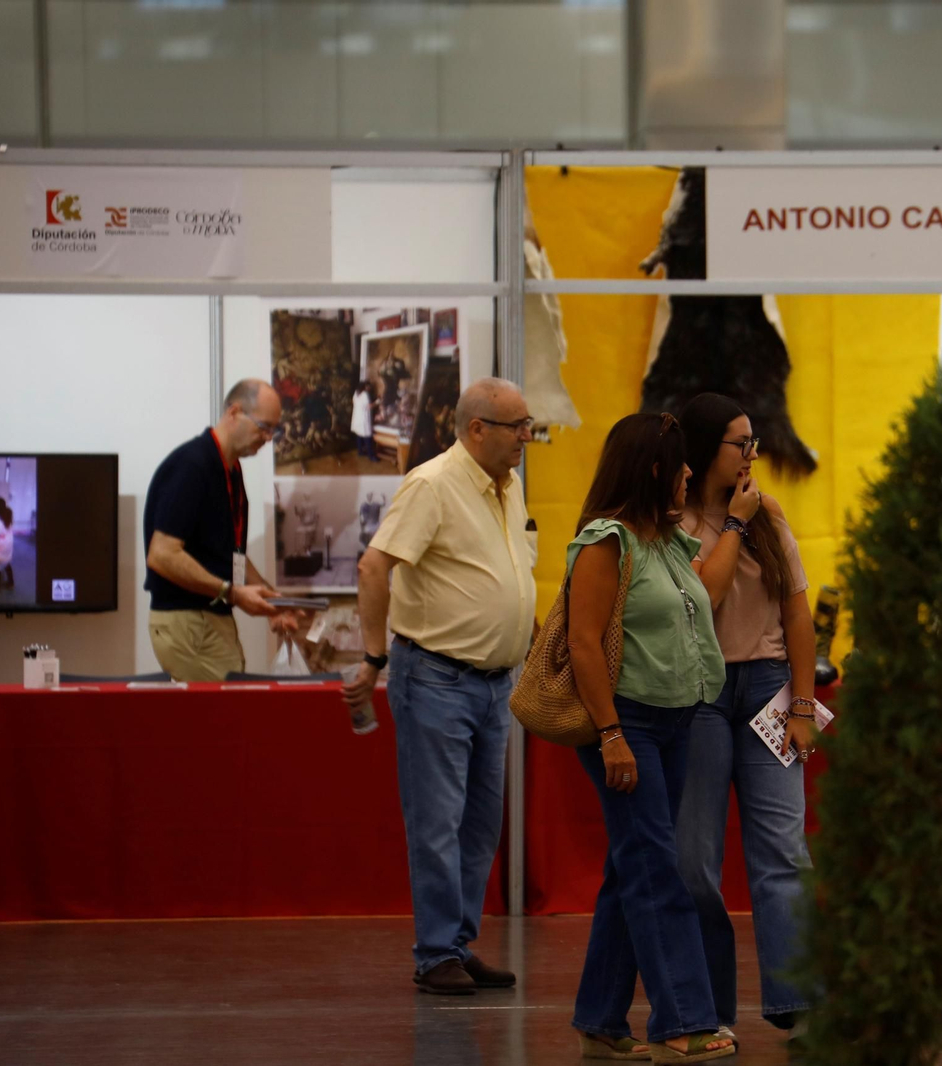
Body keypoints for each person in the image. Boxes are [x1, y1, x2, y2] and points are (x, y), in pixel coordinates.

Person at [342, 377, 536, 996]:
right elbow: (375, 566)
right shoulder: (431, 483)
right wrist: (374, 655)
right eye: (517, 427)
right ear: (476, 429)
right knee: (437, 822)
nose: (527, 438)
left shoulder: (508, 486)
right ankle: (434, 954)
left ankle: (454, 943)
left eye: (528, 425)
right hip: (437, 678)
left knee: (480, 824)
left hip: (493, 683)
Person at [565, 412, 735, 1063]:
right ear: (654, 468)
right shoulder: (605, 541)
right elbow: (584, 643)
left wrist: (740, 526)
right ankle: (682, 1021)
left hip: (676, 720)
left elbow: (704, 596)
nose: (692, 476)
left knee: (632, 864)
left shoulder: (667, 541)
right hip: (627, 722)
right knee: (657, 868)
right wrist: (610, 734)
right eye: (682, 465)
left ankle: (602, 1018)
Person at [673, 393, 819, 1041]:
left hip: (766, 687)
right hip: (698, 691)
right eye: (742, 443)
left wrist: (805, 704)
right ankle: (709, 1012)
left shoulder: (770, 513)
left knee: (783, 850)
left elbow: (798, 614)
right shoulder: (670, 520)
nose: (752, 455)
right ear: (708, 450)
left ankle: (799, 999)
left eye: (754, 443)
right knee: (695, 859)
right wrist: (731, 523)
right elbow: (705, 594)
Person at [144, 378, 300, 681]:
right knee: (221, 722)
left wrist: (274, 602)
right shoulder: (192, 465)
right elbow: (161, 555)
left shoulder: (229, 468)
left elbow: (230, 555)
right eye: (263, 426)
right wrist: (231, 592)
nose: (268, 438)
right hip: (188, 622)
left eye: (274, 430)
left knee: (228, 716)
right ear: (234, 412)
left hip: (207, 620)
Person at [351, 381, 375, 462]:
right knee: (367, 437)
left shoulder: (356, 393)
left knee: (359, 435)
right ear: (365, 386)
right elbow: (369, 406)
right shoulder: (365, 394)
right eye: (368, 386)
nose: (369, 388)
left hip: (357, 417)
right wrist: (378, 402)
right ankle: (371, 456)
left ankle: (360, 452)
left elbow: (353, 402)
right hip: (363, 418)